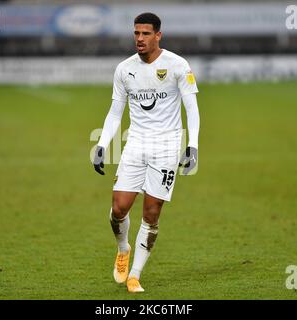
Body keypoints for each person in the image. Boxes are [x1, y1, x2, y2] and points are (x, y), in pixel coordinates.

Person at [92, 12, 200, 293]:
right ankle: (123, 248)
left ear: (158, 35)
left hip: (166, 147)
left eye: (145, 34)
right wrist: (102, 144)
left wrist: (193, 146)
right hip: (136, 144)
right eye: (136, 34)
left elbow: (191, 107)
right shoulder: (124, 69)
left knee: (152, 214)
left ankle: (135, 275)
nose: (139, 39)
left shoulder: (178, 65)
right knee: (119, 209)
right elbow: (116, 112)